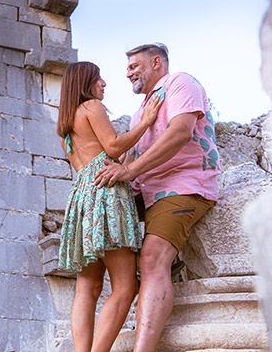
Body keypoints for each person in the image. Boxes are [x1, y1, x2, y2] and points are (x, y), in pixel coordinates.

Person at [92, 43, 220, 352]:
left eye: (135, 66)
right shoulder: (140, 114)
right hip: (148, 192)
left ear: (156, 62)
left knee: (151, 257)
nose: (128, 73)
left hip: (183, 185)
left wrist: (129, 170)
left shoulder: (180, 82)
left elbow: (180, 133)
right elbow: (131, 162)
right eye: (127, 68)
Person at [57, 61, 162, 352]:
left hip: (81, 198)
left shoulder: (64, 127)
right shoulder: (91, 106)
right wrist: (147, 121)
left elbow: (93, 159)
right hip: (106, 193)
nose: (104, 83)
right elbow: (113, 148)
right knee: (125, 286)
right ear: (85, 83)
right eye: (98, 78)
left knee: (87, 287)